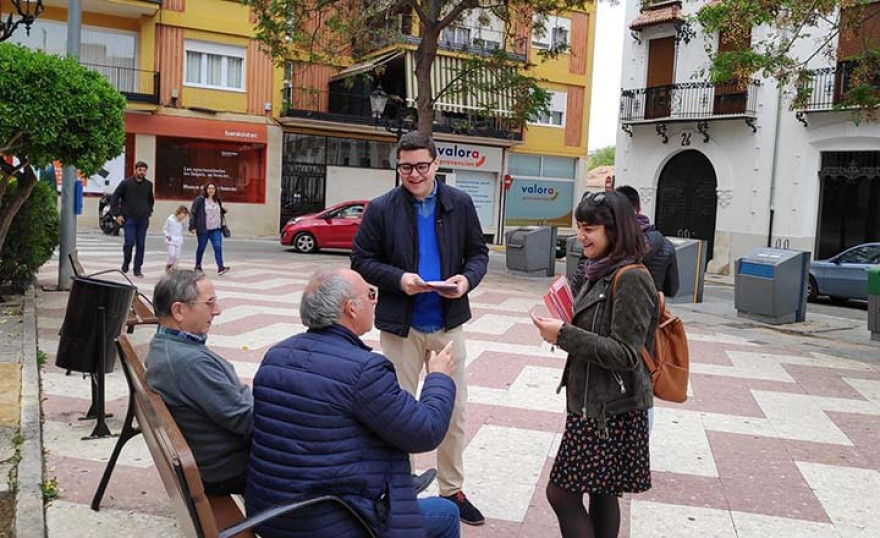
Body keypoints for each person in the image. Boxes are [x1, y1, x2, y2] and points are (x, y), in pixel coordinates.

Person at [246, 269, 461, 538]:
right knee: (446, 512)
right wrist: (439, 378)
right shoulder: (364, 369)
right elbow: (425, 431)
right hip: (326, 521)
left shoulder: (276, 354)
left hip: (270, 513)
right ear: (350, 309)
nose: (375, 301)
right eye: (371, 294)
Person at [350, 131, 489, 525]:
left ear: (437, 164)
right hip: (400, 325)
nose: (414, 174)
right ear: (398, 167)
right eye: (406, 167)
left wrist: (466, 280)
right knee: (396, 410)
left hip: (447, 322)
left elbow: (478, 253)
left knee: (455, 410)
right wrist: (399, 280)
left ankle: (452, 488)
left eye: (421, 166)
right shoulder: (381, 208)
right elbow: (360, 259)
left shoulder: (459, 203)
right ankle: (401, 487)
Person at [530, 191, 657, 538]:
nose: (581, 237)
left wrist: (564, 335)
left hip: (609, 411)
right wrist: (564, 322)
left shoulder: (631, 276)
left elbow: (626, 353)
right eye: (579, 228)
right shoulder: (597, 269)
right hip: (591, 403)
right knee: (602, 494)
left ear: (614, 231)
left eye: (590, 229)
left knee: (561, 494)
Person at [144, 270, 253, 532]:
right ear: (179, 311)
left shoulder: (165, 347)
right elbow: (245, 420)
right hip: (227, 467)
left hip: (212, 458)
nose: (217, 310)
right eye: (210, 302)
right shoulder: (190, 364)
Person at [615, 185, 679, 297]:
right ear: (639, 208)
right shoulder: (666, 245)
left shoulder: (612, 240)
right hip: (650, 310)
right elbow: (672, 289)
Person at [110, 160, 154, 277]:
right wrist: (117, 214)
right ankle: (126, 261)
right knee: (129, 242)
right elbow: (114, 198)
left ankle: (137, 269)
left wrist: (149, 211)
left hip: (143, 219)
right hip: (128, 218)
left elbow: (150, 200)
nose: (142, 172)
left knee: (141, 244)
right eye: (140, 170)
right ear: (135, 170)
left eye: (144, 171)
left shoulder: (148, 185)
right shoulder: (126, 183)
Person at [189, 182, 230, 275]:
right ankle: (198, 266)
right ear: (206, 190)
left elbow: (217, 210)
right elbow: (193, 212)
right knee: (201, 247)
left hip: (216, 228)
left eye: (213, 189)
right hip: (203, 229)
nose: (211, 190)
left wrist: (223, 211)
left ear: (215, 190)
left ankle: (221, 267)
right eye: (209, 188)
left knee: (218, 247)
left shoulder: (217, 200)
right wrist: (192, 226)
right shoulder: (200, 200)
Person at [163, 205, 190, 273]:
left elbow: (185, 229)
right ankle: (169, 265)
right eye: (182, 216)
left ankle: (174, 269)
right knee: (172, 254)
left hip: (179, 240)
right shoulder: (170, 219)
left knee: (177, 256)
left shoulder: (182, 222)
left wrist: (185, 223)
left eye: (184, 217)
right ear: (179, 213)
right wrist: (167, 235)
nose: (182, 218)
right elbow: (164, 229)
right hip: (171, 239)